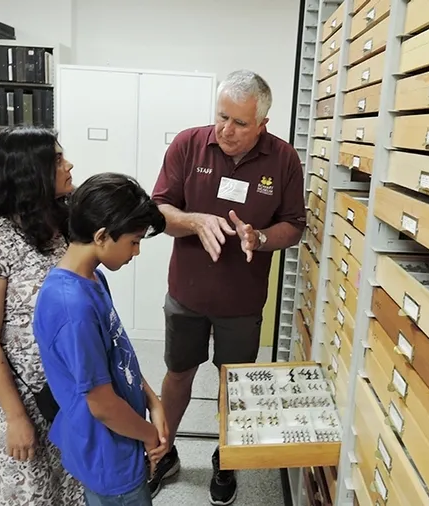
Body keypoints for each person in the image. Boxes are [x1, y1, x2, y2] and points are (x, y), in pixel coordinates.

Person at [148, 69, 306, 505]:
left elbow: (294, 226)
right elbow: (158, 210)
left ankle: (227, 460)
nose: (226, 130)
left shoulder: (283, 160)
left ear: (262, 125)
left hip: (242, 301)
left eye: (239, 123)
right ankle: (163, 452)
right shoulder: (188, 144)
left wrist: (261, 239)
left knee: (233, 384)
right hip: (187, 293)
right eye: (222, 117)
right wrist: (194, 220)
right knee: (178, 373)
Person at [0, 126, 84, 506]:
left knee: (70, 484)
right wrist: (15, 417)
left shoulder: (61, 226)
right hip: (24, 397)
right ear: (31, 171)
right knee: (28, 491)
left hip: (67, 389)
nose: (69, 165)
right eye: (58, 160)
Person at [32, 173, 169, 506]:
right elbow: (102, 406)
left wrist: (152, 399)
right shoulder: (72, 308)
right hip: (111, 454)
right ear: (102, 236)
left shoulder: (93, 278)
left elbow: (118, 354)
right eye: (134, 241)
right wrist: (151, 437)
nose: (136, 252)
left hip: (124, 436)